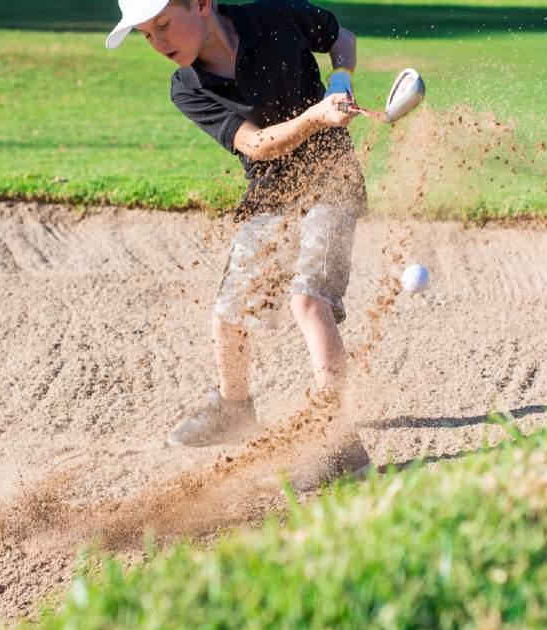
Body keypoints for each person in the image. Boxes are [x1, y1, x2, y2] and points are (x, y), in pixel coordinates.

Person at [107, 0, 370, 485]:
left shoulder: (274, 15)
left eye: (164, 24)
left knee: (308, 301)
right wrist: (317, 115)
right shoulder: (188, 87)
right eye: (146, 35)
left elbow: (342, 36)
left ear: (202, 3)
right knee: (229, 315)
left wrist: (340, 78)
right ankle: (233, 408)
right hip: (271, 193)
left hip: (332, 179)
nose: (160, 44)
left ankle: (340, 440)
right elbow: (258, 144)